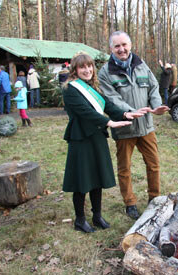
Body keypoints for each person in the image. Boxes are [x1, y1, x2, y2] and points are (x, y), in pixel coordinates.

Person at [63, 52, 144, 233]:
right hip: (81, 139)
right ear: (75, 70)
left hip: (97, 137)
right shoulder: (70, 89)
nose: (87, 70)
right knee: (82, 181)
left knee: (97, 178)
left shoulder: (92, 88)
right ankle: (80, 220)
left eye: (90, 66)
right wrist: (109, 122)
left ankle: (97, 216)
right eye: (82, 67)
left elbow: (107, 105)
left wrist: (124, 114)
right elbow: (86, 112)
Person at [98, 31, 170, 220]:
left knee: (153, 165)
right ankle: (130, 203)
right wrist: (131, 111)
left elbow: (153, 87)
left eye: (124, 45)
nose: (121, 49)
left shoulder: (141, 65)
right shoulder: (105, 72)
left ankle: (154, 199)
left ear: (130, 45)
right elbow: (111, 98)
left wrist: (156, 106)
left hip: (146, 127)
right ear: (111, 49)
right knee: (125, 168)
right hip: (124, 128)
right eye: (117, 46)